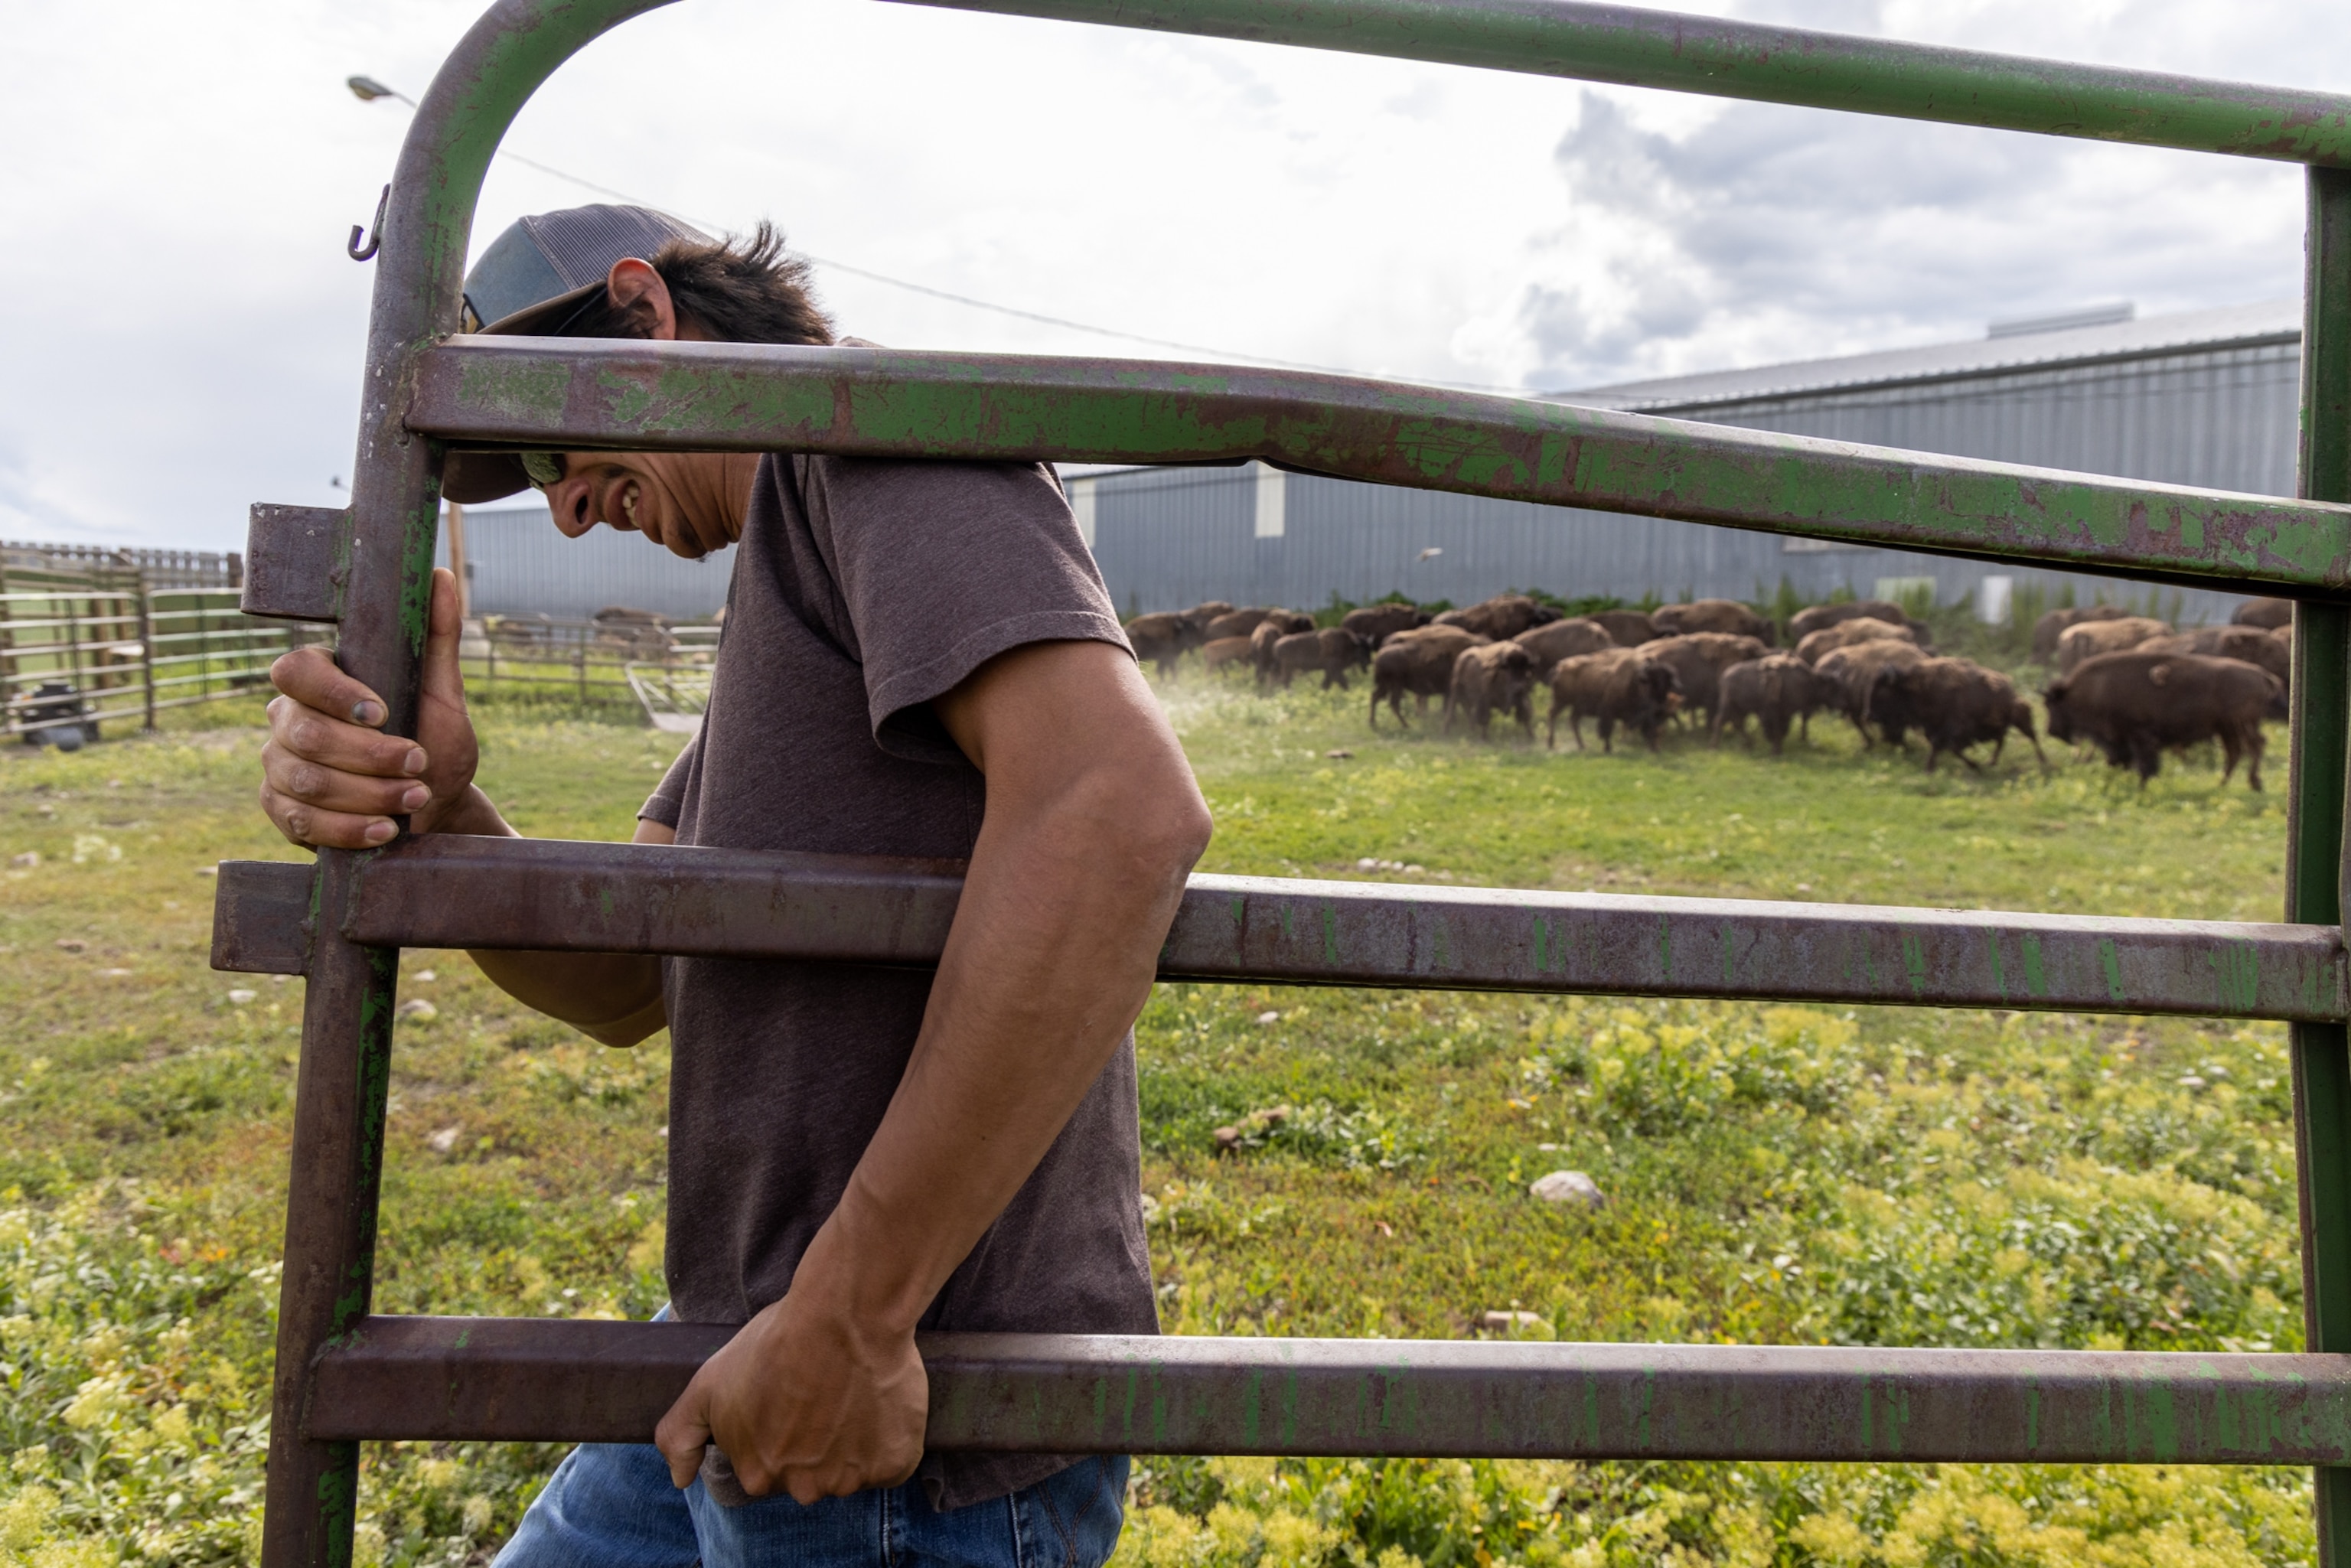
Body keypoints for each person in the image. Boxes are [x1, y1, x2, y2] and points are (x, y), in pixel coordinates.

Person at [257, 204, 1213, 1568]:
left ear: (647, 315)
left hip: (900, 1402)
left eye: (557, 446)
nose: (569, 508)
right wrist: (432, 802)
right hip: (743, 1346)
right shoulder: (789, 563)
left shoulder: (864, 437)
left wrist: (855, 1314)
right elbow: (637, 974)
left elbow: (1115, 810)